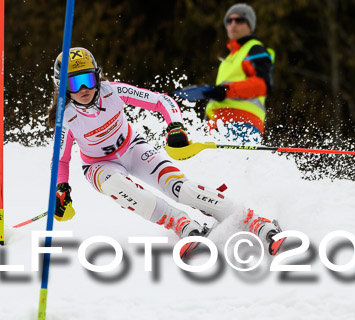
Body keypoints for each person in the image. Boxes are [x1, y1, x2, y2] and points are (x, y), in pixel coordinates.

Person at [47, 47, 284, 256]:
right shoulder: (65, 118)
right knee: (118, 185)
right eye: (74, 84)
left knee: (181, 188)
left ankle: (256, 223)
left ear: (97, 77)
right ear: (63, 88)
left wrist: (175, 127)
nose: (85, 88)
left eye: (88, 79)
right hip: (99, 166)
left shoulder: (113, 92)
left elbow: (162, 101)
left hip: (132, 148)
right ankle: (183, 224)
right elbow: (61, 161)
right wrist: (61, 188)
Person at [203, 3, 274, 144]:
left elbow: (263, 85)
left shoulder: (254, 49)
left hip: (242, 124)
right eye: (229, 21)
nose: (233, 24)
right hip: (218, 124)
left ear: (249, 26)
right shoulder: (229, 58)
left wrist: (225, 90)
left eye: (239, 20)